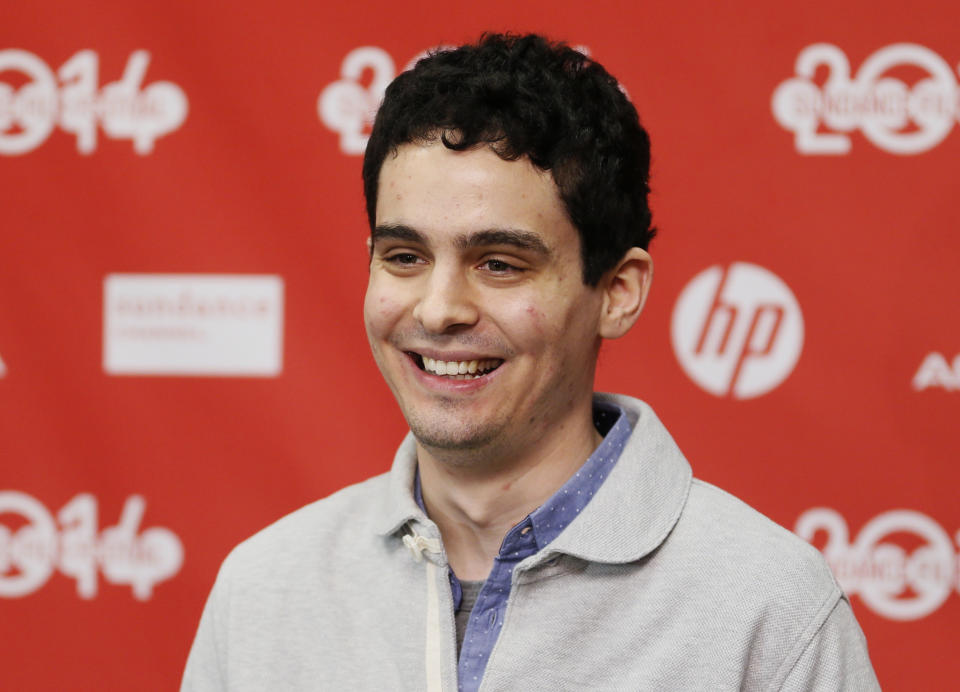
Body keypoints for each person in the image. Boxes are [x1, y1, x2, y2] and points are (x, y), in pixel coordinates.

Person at [182, 33, 879, 691]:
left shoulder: (769, 609)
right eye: (404, 257)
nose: (437, 309)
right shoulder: (261, 591)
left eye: (500, 263)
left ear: (618, 292)